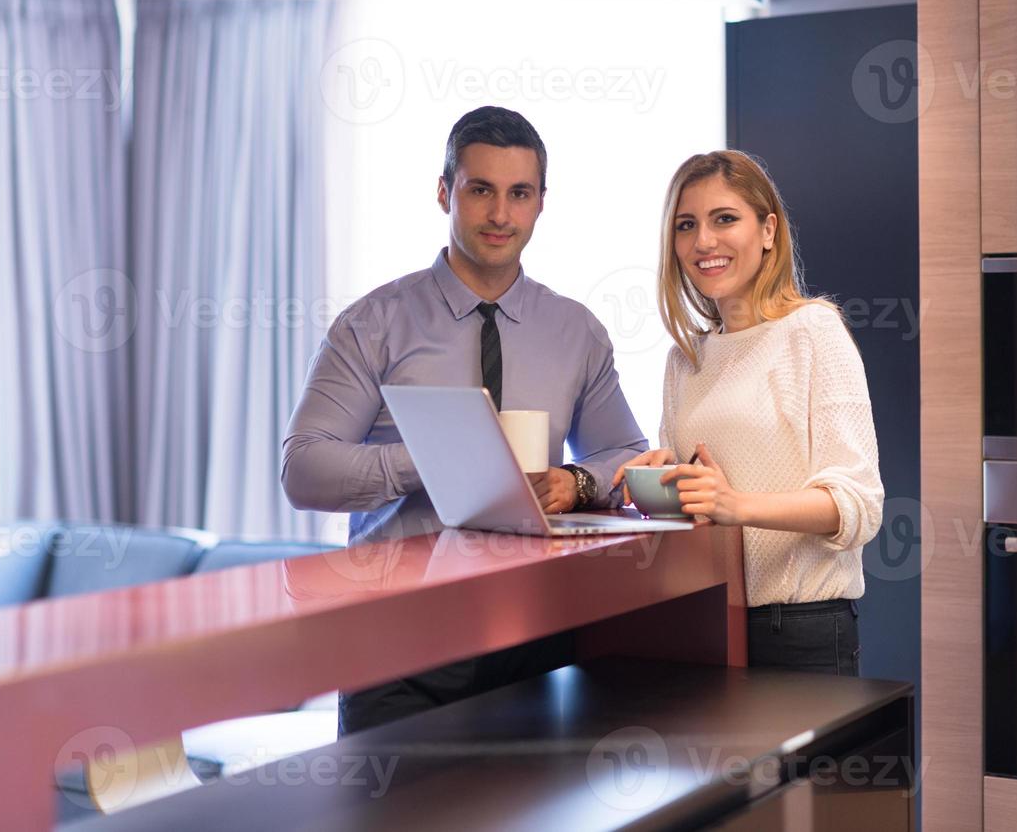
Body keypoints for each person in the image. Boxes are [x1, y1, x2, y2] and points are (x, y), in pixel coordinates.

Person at [282, 105, 647, 732]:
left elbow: (627, 453)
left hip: (536, 641)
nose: (500, 215)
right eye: (481, 190)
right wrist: (435, 458)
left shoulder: (576, 332)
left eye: (519, 194)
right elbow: (303, 469)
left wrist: (577, 482)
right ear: (446, 191)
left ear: (540, 203)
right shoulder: (372, 325)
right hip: (395, 647)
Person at [613, 150, 883, 676]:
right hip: (706, 622)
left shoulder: (813, 332)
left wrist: (737, 504)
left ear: (768, 231)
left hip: (800, 630)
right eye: (686, 225)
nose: (703, 242)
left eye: (725, 219)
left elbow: (858, 506)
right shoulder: (684, 359)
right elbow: (702, 512)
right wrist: (661, 489)